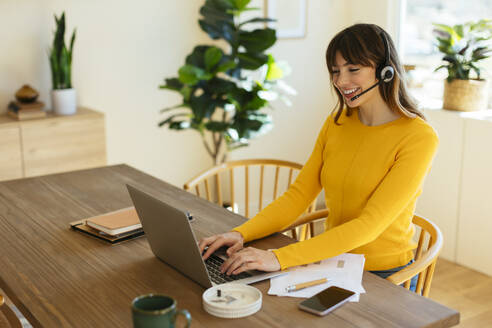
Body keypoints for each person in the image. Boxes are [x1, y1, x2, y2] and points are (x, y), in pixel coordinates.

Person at [198, 23, 439, 291]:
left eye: (353, 69)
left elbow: (369, 225)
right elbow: (298, 196)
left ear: (385, 71)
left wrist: (279, 258)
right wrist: (241, 233)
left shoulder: (419, 137)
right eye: (335, 71)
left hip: (385, 274)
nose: (340, 81)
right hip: (335, 262)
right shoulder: (337, 123)